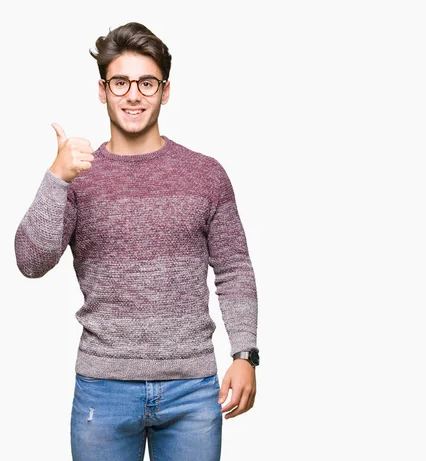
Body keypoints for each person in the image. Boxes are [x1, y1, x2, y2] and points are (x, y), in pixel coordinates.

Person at [14, 21, 259, 461]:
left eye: (146, 82)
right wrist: (55, 178)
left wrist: (245, 354)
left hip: (192, 390)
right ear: (103, 90)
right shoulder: (76, 175)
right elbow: (31, 262)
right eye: (120, 82)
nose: (132, 94)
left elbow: (234, 268)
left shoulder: (206, 174)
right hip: (103, 389)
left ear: (165, 91)